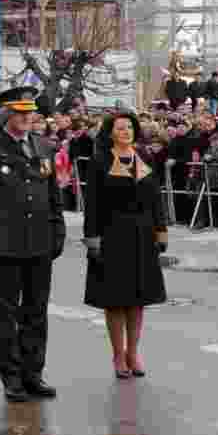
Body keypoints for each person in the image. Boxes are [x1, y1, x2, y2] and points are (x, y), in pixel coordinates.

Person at [0, 87, 66, 402]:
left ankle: (33, 373)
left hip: (39, 241)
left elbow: (53, 194)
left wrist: (57, 229)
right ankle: (12, 378)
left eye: (28, 112)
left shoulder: (43, 145)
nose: (25, 117)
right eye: (17, 112)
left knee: (36, 311)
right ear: (6, 114)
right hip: (4, 242)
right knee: (5, 314)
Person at [82, 112, 169, 380]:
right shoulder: (100, 161)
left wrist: (161, 230)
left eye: (130, 127)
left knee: (138, 299)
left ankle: (134, 352)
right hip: (111, 233)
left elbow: (156, 197)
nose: (126, 132)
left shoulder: (145, 157)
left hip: (143, 233)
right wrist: (92, 236)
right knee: (116, 300)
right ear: (110, 132)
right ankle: (118, 354)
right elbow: (92, 202)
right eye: (120, 128)